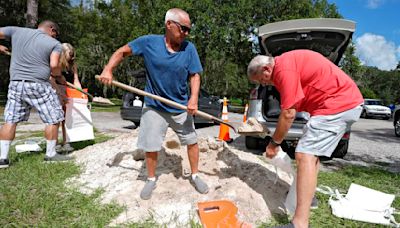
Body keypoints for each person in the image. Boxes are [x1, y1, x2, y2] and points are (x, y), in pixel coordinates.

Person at [98, 8, 209, 200]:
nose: (186, 33)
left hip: (180, 106)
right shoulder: (149, 42)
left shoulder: (189, 48)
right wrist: (108, 69)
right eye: (183, 28)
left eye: (189, 29)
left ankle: (196, 174)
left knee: (191, 141)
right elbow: (122, 52)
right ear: (169, 25)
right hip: (154, 105)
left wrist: (194, 98)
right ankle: (150, 179)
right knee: (151, 145)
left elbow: (195, 75)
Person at [247, 50, 363, 228]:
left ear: (266, 69)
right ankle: (308, 201)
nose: (264, 84)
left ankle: (300, 223)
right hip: (340, 104)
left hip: (337, 104)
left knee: (304, 155)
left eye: (261, 79)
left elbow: (288, 113)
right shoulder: (287, 65)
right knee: (310, 156)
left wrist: (274, 143)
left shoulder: (284, 70)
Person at [0, 20, 73, 169]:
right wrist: (59, 76)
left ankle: (2, 159)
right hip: (38, 84)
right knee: (54, 117)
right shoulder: (54, 44)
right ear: (51, 29)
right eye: (56, 34)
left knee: (10, 119)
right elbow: (53, 66)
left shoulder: (16, 31)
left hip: (16, 84)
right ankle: (51, 154)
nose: (55, 37)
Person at [52, 43, 82, 151]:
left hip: (68, 91)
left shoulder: (72, 64)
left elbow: (76, 80)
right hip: (56, 90)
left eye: (73, 55)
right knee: (56, 118)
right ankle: (54, 143)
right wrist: (60, 92)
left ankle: (67, 141)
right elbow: (50, 79)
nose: (72, 58)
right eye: (70, 55)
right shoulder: (55, 63)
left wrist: (80, 92)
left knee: (67, 118)